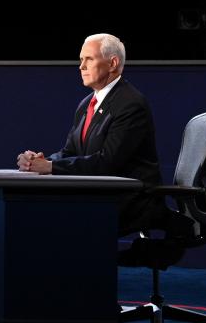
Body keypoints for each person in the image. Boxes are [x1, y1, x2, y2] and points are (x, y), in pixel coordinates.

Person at [15, 33, 172, 236]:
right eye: (81, 60)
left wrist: (51, 167)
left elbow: (108, 162)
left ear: (113, 63)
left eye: (89, 59)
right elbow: (70, 152)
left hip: (132, 199)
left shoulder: (131, 104)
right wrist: (38, 162)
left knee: (51, 217)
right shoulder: (86, 104)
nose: (81, 67)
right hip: (98, 193)